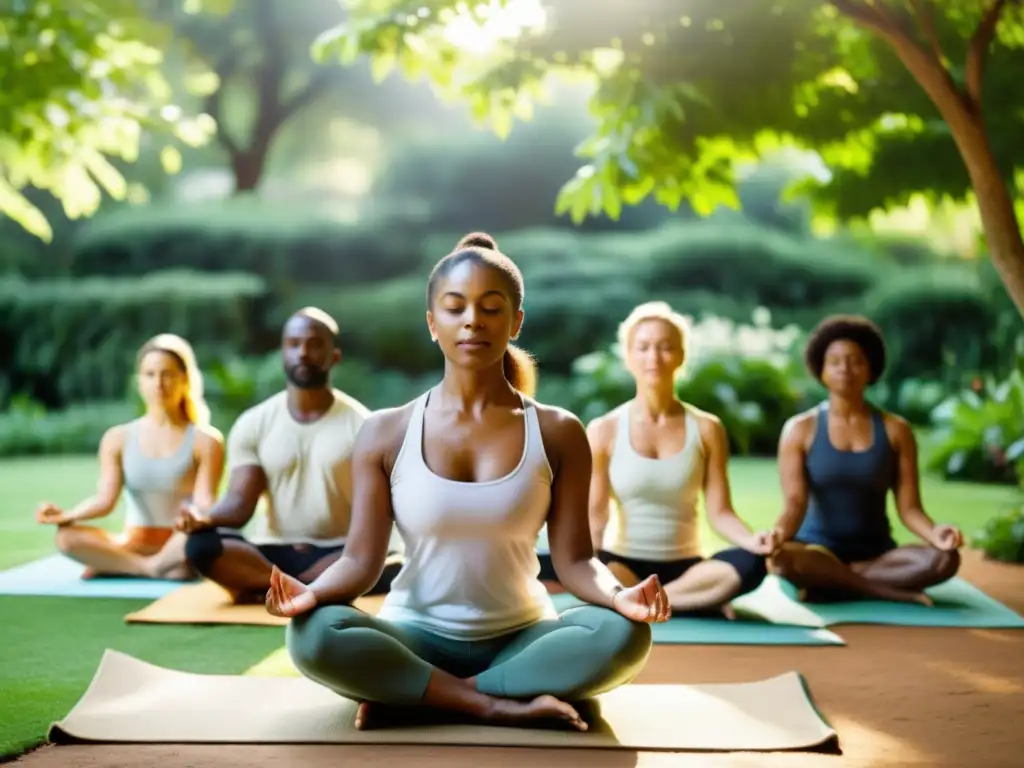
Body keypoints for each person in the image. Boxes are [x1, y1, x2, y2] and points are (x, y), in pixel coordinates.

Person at [264, 233, 666, 733]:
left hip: (522, 636)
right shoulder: (385, 432)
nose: (472, 320)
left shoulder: (558, 431)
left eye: (490, 308)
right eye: (455, 308)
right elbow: (360, 562)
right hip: (413, 634)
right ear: (433, 324)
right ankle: (497, 701)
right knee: (314, 635)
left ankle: (420, 693)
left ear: (516, 322)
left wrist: (618, 596)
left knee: (623, 635)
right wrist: (311, 595)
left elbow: (577, 561)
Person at [176, 308, 400, 604]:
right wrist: (204, 517)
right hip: (272, 551)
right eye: (294, 344)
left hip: (342, 552)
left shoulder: (364, 426)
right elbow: (240, 504)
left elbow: (376, 514)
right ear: (283, 352)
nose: (303, 353)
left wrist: (359, 560)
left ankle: (278, 586)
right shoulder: (254, 422)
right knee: (201, 547)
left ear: (334, 356)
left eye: (314, 344)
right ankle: (309, 588)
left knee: (392, 563)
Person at [580, 301, 774, 618]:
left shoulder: (707, 428)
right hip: (625, 566)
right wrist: (588, 567)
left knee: (752, 562)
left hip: (688, 569)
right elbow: (595, 516)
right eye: (643, 347)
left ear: (681, 355)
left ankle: (648, 602)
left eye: (665, 347)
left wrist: (754, 541)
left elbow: (720, 512)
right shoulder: (604, 430)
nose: (653, 357)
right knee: (595, 569)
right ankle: (687, 601)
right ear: (629, 356)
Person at [768, 314, 962, 605]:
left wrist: (937, 534)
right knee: (782, 559)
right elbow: (795, 503)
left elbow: (909, 509)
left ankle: (837, 581)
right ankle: (881, 589)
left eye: (855, 360)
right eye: (835, 362)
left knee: (945, 559)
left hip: (878, 555)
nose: (845, 369)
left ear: (871, 368)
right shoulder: (800, 429)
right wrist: (777, 535)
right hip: (815, 551)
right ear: (821, 370)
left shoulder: (897, 430)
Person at [35, 334, 223, 580]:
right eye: (150, 374)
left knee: (205, 537)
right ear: (139, 382)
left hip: (180, 544)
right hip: (134, 542)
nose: (159, 383)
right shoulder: (118, 438)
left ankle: (120, 566)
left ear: (185, 379)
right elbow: (105, 501)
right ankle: (152, 567)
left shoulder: (207, 441)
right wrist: (67, 515)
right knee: (65, 537)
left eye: (168, 374)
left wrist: (196, 516)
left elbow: (205, 501)